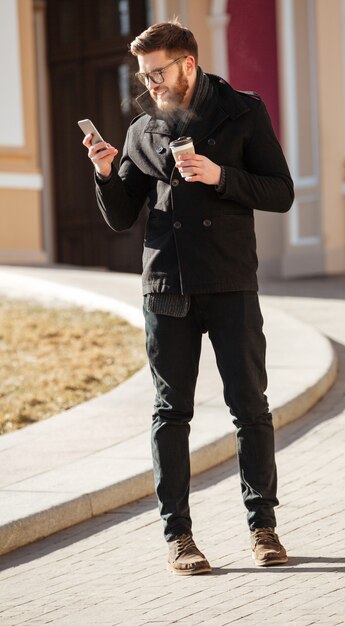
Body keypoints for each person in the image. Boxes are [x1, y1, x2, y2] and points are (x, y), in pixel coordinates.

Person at [83, 19, 294, 576]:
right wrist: (106, 172)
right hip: (166, 287)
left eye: (158, 72)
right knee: (169, 413)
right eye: (144, 74)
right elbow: (124, 215)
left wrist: (219, 175)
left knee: (250, 408)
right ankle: (179, 536)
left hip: (229, 283)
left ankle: (263, 526)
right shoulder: (141, 129)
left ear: (188, 64)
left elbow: (281, 192)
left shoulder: (242, 110)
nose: (150, 83)